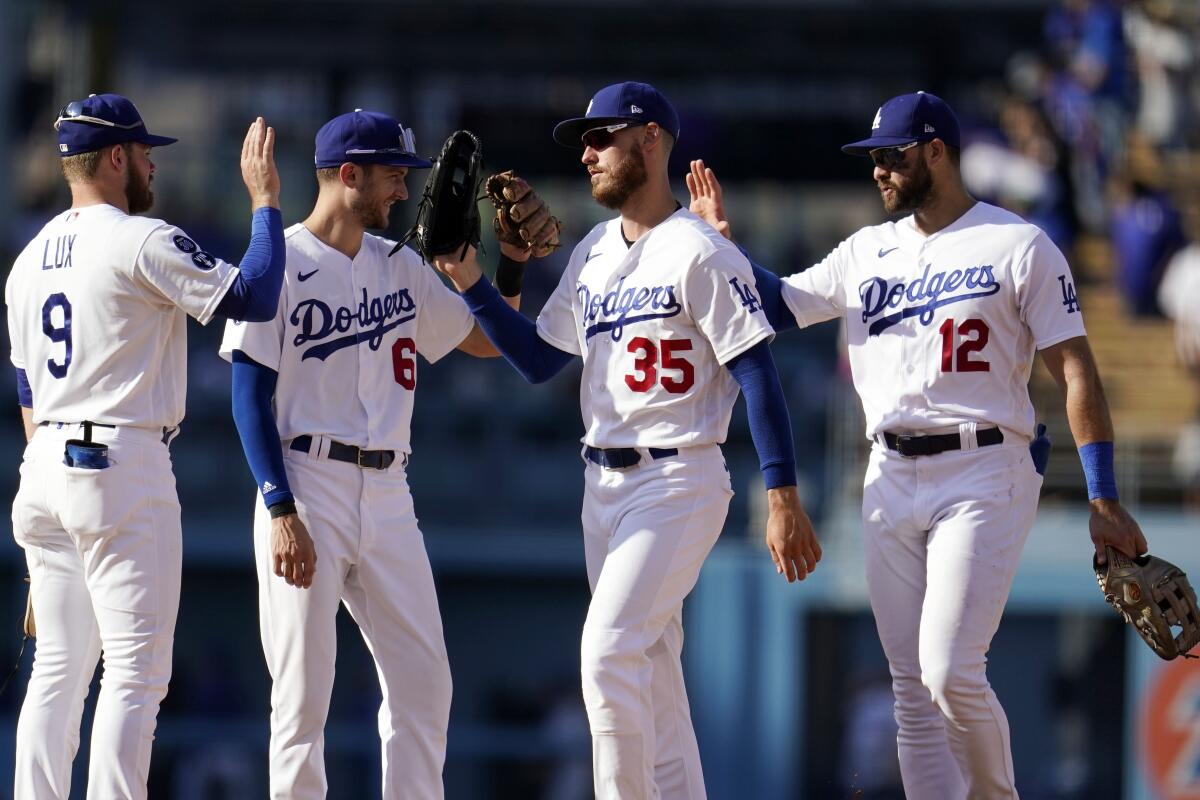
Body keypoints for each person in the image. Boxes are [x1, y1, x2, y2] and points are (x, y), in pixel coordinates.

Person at [688, 91, 1148, 799]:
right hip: (887, 472)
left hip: (985, 465)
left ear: (937, 150)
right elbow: (776, 306)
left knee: (949, 668)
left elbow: (1075, 368)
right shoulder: (866, 250)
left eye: (892, 155)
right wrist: (721, 245)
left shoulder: (1017, 243)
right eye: (873, 158)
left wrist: (1103, 491)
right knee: (911, 692)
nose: (878, 170)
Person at [430, 81, 820, 800]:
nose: (586, 152)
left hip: (677, 479)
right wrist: (472, 280)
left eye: (600, 137)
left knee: (608, 655)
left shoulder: (701, 251)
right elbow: (540, 359)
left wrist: (783, 494)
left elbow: (759, 372)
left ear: (650, 140)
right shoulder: (593, 251)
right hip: (601, 487)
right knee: (654, 680)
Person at [218, 109, 558, 800]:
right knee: (304, 692)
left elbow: (487, 340)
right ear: (349, 176)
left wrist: (510, 266)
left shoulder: (399, 265)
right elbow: (247, 398)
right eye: (392, 175)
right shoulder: (276, 264)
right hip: (305, 482)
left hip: (389, 489)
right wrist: (279, 507)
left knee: (426, 682)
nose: (404, 191)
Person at [4, 93, 284, 799]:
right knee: (135, 673)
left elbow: (26, 390)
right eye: (147, 152)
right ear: (119, 157)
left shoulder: (27, 259)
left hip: (42, 466)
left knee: (58, 670)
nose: (154, 166)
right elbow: (252, 295)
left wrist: (55, 473)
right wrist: (264, 204)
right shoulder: (139, 237)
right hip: (118, 461)